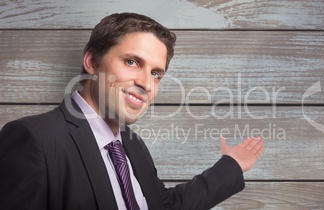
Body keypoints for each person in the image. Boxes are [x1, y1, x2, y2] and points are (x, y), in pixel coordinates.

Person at [0, 13, 264, 210]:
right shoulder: (33, 139)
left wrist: (232, 166)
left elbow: (165, 206)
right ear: (92, 61)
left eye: (156, 73)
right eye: (131, 62)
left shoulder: (131, 144)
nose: (146, 84)